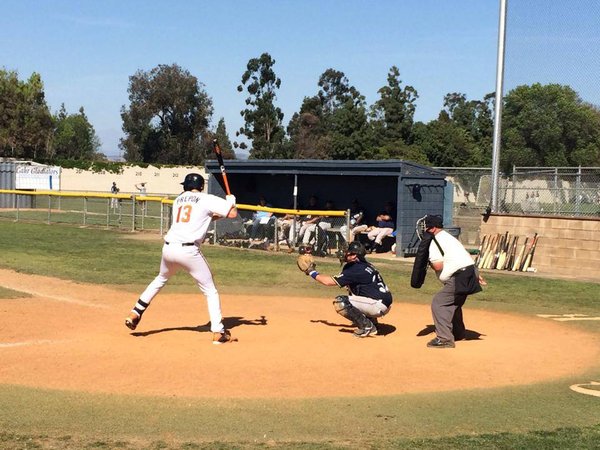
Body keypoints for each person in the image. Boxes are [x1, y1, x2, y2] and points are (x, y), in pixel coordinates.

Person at [124, 173, 238, 345]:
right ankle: (218, 332)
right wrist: (231, 202)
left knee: (161, 278)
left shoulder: (179, 200)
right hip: (188, 250)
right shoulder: (206, 198)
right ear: (201, 186)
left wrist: (225, 207)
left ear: (185, 186)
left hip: (169, 248)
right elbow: (232, 214)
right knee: (210, 290)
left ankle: (135, 312)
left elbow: (203, 217)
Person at [301, 241, 392, 337]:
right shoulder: (366, 265)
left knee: (341, 302)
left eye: (348, 252)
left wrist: (311, 272)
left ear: (354, 256)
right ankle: (373, 323)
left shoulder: (355, 269)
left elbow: (327, 282)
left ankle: (367, 326)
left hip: (377, 305)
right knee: (351, 291)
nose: (344, 253)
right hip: (383, 303)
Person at [423, 214, 484, 348]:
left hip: (459, 276)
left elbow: (438, 265)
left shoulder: (435, 241)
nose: (425, 229)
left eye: (427, 227)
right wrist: (475, 274)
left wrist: (427, 264)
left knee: (439, 303)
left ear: (432, 229)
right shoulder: (449, 237)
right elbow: (465, 255)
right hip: (469, 271)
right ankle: (458, 333)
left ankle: (444, 339)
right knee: (453, 303)